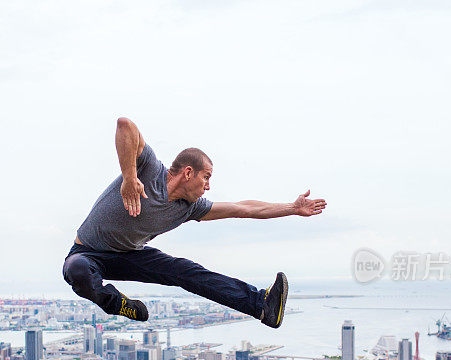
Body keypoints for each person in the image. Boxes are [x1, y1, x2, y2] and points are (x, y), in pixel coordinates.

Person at [62, 117, 327, 328]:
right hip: (88, 252)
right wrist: (130, 178)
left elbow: (242, 208)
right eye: (206, 177)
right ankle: (118, 304)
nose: (208, 186)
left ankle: (262, 305)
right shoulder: (150, 170)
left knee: (187, 272)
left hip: (129, 256)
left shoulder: (189, 208)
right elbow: (124, 125)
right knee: (77, 270)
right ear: (188, 172)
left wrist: (291, 208)